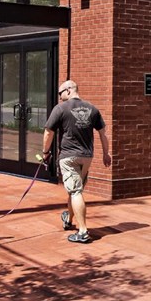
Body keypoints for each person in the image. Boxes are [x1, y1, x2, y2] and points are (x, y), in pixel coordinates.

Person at [41, 77, 110, 243]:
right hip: (87, 157)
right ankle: (69, 219)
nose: (59, 97)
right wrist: (106, 154)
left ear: (68, 90)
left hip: (69, 157)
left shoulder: (60, 108)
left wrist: (45, 152)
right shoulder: (92, 108)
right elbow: (103, 134)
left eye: (60, 93)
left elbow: (48, 132)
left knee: (75, 191)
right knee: (74, 190)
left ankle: (83, 232)